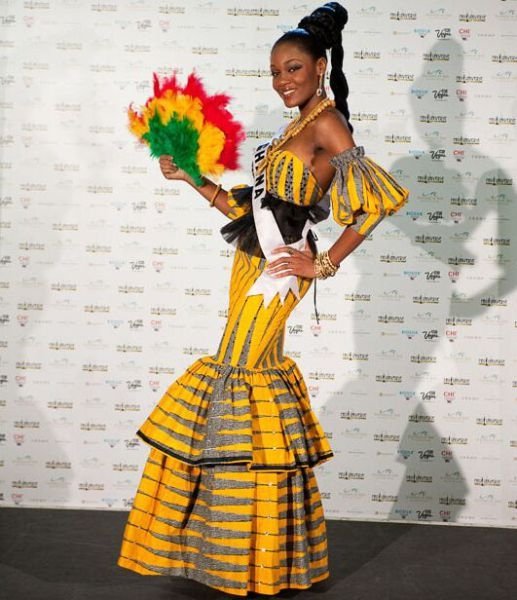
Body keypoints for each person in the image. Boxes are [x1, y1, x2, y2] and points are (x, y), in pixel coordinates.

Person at [118, 2, 408, 596]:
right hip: (251, 260)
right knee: (247, 382)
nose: (282, 81)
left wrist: (322, 263)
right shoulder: (293, 127)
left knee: (241, 378)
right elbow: (247, 212)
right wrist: (192, 179)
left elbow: (376, 202)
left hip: (279, 272)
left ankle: (242, 550)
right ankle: (252, 550)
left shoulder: (328, 125)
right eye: (275, 71)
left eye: (294, 69)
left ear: (321, 67)